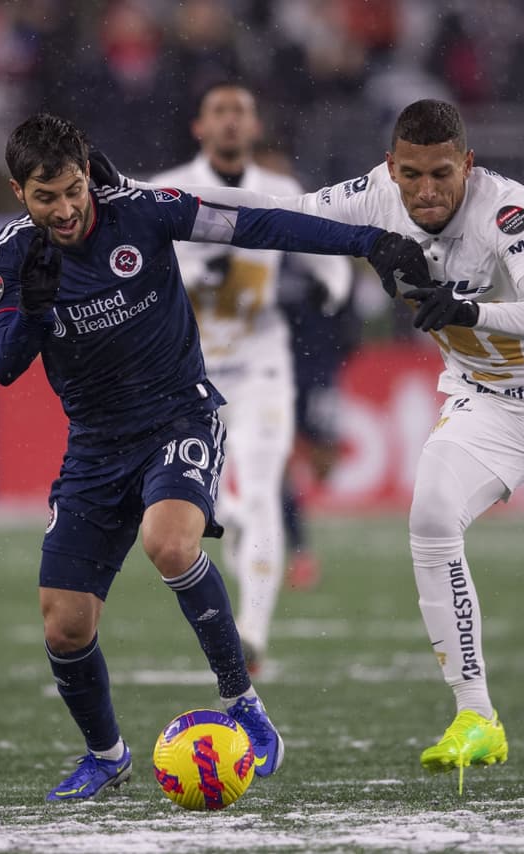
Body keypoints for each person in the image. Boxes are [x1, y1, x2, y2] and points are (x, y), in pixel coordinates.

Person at [117, 99, 524, 790]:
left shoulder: (505, 208)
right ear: (392, 167)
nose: (426, 191)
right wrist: (132, 197)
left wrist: (470, 308)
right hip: (486, 399)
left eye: (442, 175)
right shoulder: (373, 196)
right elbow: (271, 210)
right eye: (413, 174)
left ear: (468, 166)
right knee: (430, 517)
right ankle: (476, 715)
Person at [0, 112, 428, 801]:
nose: (67, 209)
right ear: (20, 193)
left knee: (169, 542)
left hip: (177, 415)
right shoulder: (11, 255)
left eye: (74, 190)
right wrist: (36, 309)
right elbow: (5, 365)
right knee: (65, 624)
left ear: (85, 176)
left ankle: (245, 707)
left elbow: (261, 225)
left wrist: (369, 241)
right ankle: (106, 755)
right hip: (95, 447)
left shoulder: (143, 212)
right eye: (47, 198)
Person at [146, 83, 353, 672]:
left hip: (263, 366)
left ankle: (251, 636)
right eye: (220, 111)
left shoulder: (282, 191)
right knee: (203, 503)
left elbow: (331, 264)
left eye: (241, 112)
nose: (232, 122)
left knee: (261, 490)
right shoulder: (168, 190)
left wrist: (320, 291)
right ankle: (226, 517)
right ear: (199, 126)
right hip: (191, 374)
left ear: (255, 126)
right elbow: (135, 271)